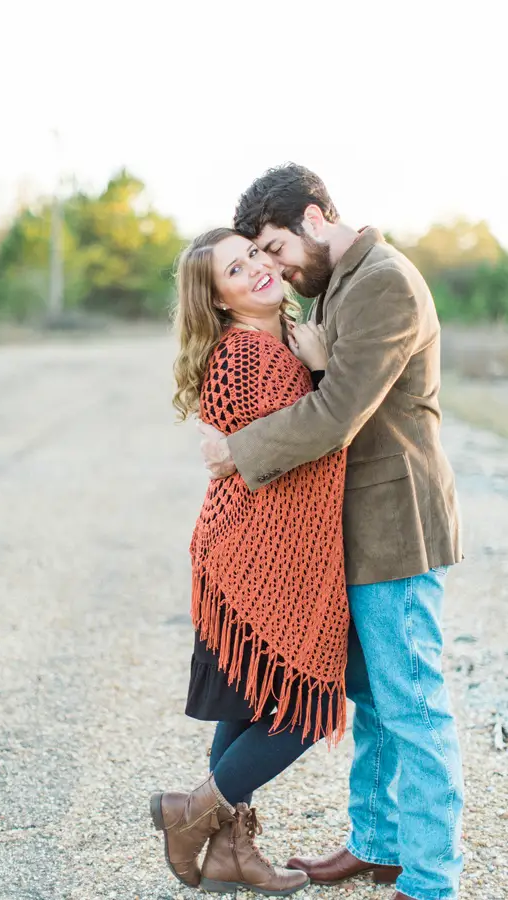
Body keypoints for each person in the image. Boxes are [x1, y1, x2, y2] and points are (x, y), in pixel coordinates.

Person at [198, 165, 464, 900]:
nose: (275, 267)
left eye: (276, 248)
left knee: (413, 705)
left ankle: (433, 880)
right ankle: (378, 845)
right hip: (356, 532)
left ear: (315, 218)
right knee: (378, 700)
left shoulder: (382, 281)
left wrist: (238, 452)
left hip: (396, 526)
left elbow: (337, 412)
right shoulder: (338, 283)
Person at [150, 227, 350, 897]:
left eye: (256, 254)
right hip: (252, 564)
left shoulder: (281, 342)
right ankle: (194, 814)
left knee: (247, 710)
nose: (257, 270)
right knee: (303, 708)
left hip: (258, 561)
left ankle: (230, 851)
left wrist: (315, 361)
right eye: (236, 269)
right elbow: (305, 446)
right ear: (220, 299)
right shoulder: (245, 356)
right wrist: (323, 373)